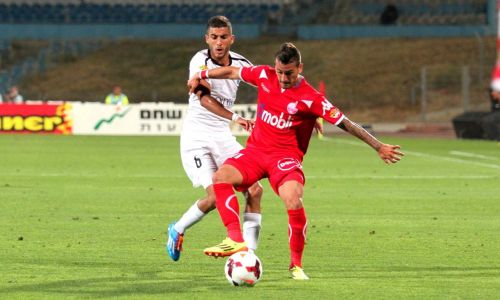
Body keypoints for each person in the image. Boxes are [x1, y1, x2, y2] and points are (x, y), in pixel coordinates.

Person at [188, 43, 404, 280]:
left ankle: (296, 265)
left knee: (293, 199)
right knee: (221, 178)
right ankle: (235, 238)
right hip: (256, 152)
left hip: (285, 158)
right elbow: (232, 71)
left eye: (288, 73)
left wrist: (378, 146)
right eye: (279, 71)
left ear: (300, 68)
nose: (282, 78)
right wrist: (202, 74)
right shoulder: (264, 75)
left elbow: (346, 123)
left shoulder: (312, 99)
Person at [166, 16, 264, 262]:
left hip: (222, 136)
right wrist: (236, 117)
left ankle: (248, 254)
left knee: (254, 189)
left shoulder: (241, 63)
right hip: (196, 137)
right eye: (214, 37)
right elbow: (204, 98)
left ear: (232, 38)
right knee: (215, 195)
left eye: (223, 37)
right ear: (207, 39)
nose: (219, 43)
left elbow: (267, 85)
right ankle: (177, 229)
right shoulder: (200, 61)